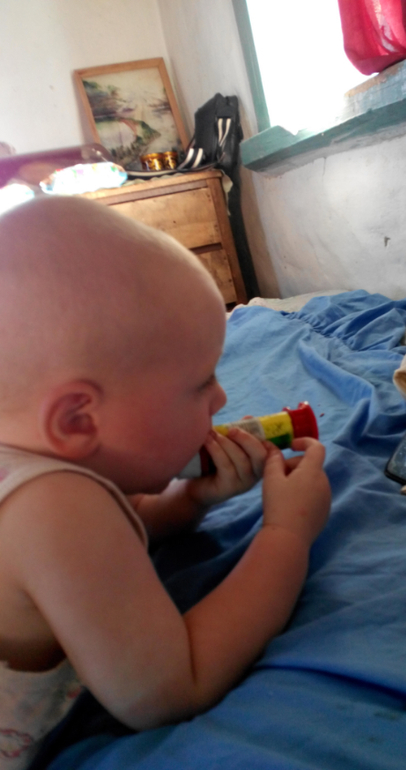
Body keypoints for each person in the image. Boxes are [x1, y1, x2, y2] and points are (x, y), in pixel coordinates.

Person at [0, 195, 331, 768]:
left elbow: (103, 546)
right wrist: (287, 533)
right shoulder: (57, 506)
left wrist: (188, 500)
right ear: (77, 419)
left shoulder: (32, 463)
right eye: (200, 383)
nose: (221, 399)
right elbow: (172, 689)